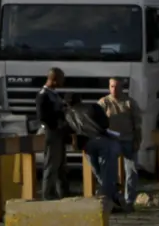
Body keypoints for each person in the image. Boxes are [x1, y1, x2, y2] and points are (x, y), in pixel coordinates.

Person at [65, 98, 127, 213]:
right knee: (106, 171)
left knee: (99, 173)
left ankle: (113, 197)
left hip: (86, 145)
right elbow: (105, 123)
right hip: (102, 140)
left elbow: (69, 131)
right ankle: (109, 200)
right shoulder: (93, 107)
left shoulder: (67, 115)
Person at [99, 78, 142, 206]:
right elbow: (97, 122)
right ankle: (112, 198)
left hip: (128, 139)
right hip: (111, 141)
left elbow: (138, 124)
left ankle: (130, 200)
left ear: (122, 88)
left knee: (132, 170)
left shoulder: (130, 102)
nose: (114, 90)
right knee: (109, 170)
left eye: (117, 87)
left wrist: (137, 140)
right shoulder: (104, 102)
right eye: (112, 86)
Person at [35, 67, 70, 201]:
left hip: (59, 133)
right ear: (54, 79)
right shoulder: (43, 95)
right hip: (51, 133)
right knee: (51, 164)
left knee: (61, 165)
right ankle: (48, 195)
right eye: (61, 78)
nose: (63, 81)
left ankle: (62, 194)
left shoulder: (54, 94)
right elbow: (42, 116)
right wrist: (59, 116)